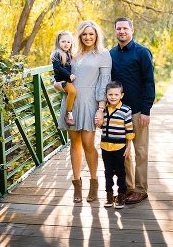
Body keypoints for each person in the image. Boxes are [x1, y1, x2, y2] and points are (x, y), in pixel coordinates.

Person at [55, 20, 111, 204]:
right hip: (71, 103)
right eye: (84, 34)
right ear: (79, 36)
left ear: (96, 36)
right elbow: (59, 74)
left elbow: (104, 83)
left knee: (88, 144)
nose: (88, 37)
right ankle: (77, 185)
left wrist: (101, 109)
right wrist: (57, 85)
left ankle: (94, 183)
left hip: (90, 103)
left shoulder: (103, 54)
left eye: (91, 34)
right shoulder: (73, 54)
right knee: (74, 145)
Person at [110, 17, 155, 205]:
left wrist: (146, 110)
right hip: (119, 112)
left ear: (131, 30)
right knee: (124, 153)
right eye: (118, 28)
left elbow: (149, 82)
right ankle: (128, 188)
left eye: (125, 28)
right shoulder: (111, 54)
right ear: (115, 31)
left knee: (141, 151)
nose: (121, 31)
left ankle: (141, 189)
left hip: (138, 111)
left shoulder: (142, 53)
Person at [99, 81, 135, 209]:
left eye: (116, 94)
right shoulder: (103, 110)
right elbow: (100, 125)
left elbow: (129, 129)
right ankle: (109, 196)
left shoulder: (126, 110)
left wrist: (128, 145)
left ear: (122, 95)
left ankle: (121, 196)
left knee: (120, 172)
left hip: (120, 147)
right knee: (108, 172)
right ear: (106, 95)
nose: (113, 97)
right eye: (110, 94)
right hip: (105, 146)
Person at [51, 30, 77, 126]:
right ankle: (68, 114)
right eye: (63, 41)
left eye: (68, 42)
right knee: (73, 91)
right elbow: (57, 68)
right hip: (62, 80)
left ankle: (69, 112)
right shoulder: (57, 53)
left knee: (72, 92)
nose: (66, 44)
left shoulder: (69, 54)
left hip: (67, 79)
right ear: (58, 42)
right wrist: (69, 75)